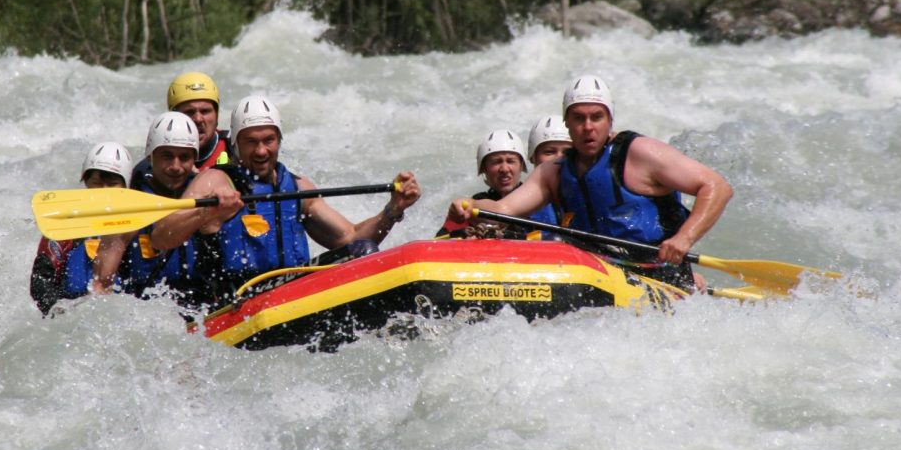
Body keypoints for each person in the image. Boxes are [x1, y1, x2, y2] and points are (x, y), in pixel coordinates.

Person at [447, 75, 733, 290]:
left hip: (658, 273)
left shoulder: (641, 153)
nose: (587, 127)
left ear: (609, 120)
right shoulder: (553, 172)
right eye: (578, 118)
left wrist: (684, 239)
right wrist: (471, 205)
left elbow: (716, 187)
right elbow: (503, 209)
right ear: (567, 123)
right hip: (598, 276)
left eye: (596, 117)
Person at [150, 94, 422, 299]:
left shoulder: (297, 186)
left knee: (362, 251)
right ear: (235, 144)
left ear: (279, 140)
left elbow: (350, 238)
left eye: (268, 140)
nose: (261, 151)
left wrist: (393, 210)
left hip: (291, 292)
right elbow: (161, 238)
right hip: (236, 301)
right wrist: (206, 212)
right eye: (251, 141)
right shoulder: (215, 181)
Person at [90, 112, 216, 305]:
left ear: (194, 160)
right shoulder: (130, 206)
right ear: (150, 156)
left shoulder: (208, 191)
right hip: (148, 309)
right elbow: (101, 283)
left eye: (184, 157)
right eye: (167, 156)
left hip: (202, 307)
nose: (176, 166)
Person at [29, 141, 135, 315]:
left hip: (121, 313)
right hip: (72, 312)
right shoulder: (64, 225)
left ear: (125, 186)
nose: (103, 191)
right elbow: (41, 281)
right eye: (96, 182)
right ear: (85, 182)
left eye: (112, 184)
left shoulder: (136, 226)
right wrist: (58, 311)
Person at [434, 129, 533, 238]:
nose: (504, 169)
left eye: (510, 161)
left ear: (521, 166)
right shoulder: (470, 208)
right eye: (496, 162)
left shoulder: (537, 202)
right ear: (484, 169)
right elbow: (438, 242)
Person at [166, 71, 230, 170]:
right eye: (189, 112)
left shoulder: (236, 150)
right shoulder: (159, 159)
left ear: (217, 115)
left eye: (205, 111)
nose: (198, 119)